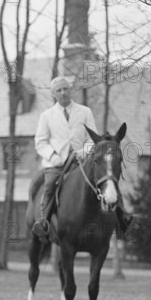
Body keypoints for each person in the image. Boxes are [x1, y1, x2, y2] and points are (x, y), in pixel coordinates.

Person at [33, 76, 98, 237]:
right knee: (48, 187)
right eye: (59, 90)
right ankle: (43, 222)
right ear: (53, 94)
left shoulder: (85, 112)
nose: (63, 93)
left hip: (81, 161)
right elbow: (40, 142)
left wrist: (83, 152)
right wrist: (53, 156)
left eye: (65, 89)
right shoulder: (46, 116)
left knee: (105, 180)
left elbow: (93, 138)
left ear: (70, 90)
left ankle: (120, 217)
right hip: (56, 163)